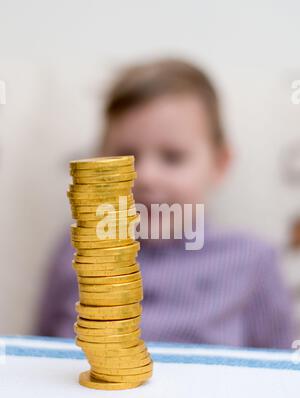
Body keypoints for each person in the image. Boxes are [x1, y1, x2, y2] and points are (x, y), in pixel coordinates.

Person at [37, 58, 293, 348]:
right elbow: (37, 355)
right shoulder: (74, 248)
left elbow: (281, 371)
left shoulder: (252, 260)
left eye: (172, 157)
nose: (145, 176)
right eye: (125, 155)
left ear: (219, 165)